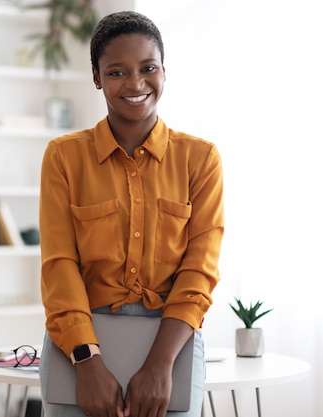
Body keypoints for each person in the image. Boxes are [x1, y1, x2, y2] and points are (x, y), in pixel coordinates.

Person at [38, 10, 224, 417]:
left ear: (163, 70)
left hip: (171, 344)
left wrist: (160, 366)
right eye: (117, 71)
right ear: (96, 77)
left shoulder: (200, 159)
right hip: (80, 348)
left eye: (148, 68)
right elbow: (59, 265)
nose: (136, 84)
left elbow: (199, 270)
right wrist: (87, 362)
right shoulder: (64, 157)